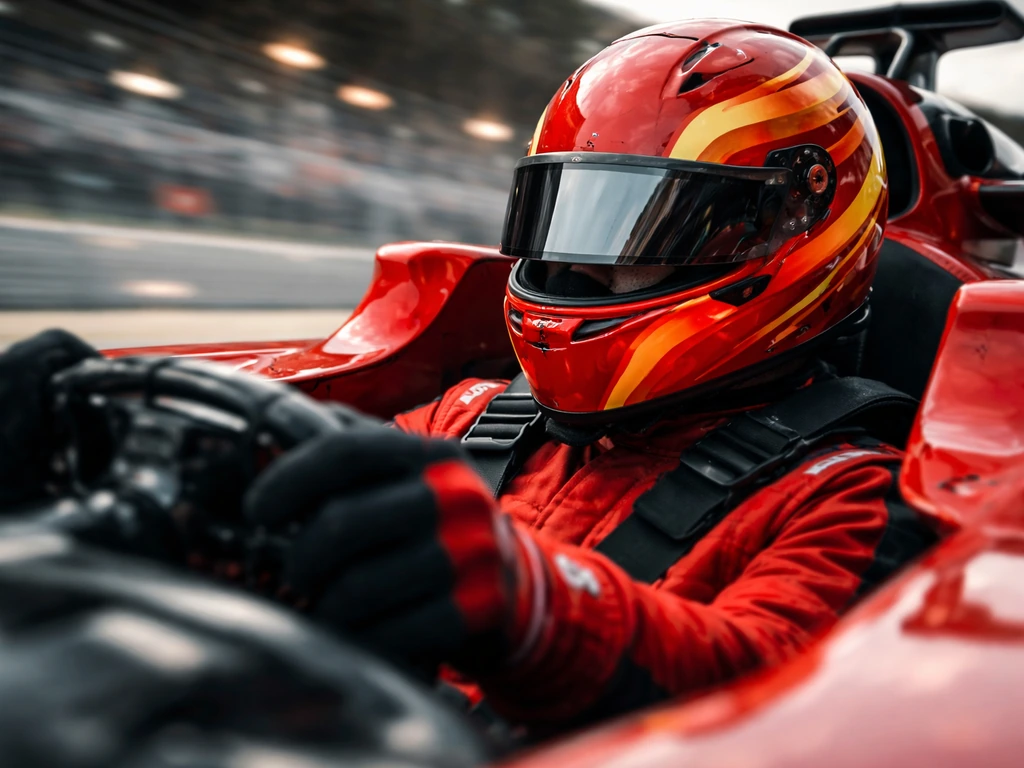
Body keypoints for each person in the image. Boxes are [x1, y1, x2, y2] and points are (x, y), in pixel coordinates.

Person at [0, 20, 937, 736]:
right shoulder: (474, 411)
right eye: (568, 218)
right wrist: (108, 451)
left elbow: (777, 689)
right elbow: (297, 513)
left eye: (643, 233)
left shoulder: (851, 492)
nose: (577, 272)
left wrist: (531, 602)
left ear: (789, 236)